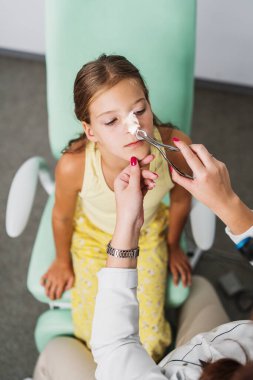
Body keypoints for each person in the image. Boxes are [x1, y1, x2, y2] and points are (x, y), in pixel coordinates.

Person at [33, 140, 253, 380]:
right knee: (200, 287)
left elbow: (115, 345)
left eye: (139, 110)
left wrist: (128, 225)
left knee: (57, 349)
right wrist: (230, 205)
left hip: (140, 242)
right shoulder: (74, 164)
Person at [40, 54, 192, 361]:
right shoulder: (74, 166)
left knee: (148, 336)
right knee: (97, 327)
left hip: (147, 234)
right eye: (111, 121)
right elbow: (62, 215)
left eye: (139, 110)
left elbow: (181, 198)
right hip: (93, 238)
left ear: (150, 105)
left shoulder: (173, 149)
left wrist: (174, 245)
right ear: (90, 130)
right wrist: (61, 260)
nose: (132, 126)